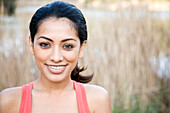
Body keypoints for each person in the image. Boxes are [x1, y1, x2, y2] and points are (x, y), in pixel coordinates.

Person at [0, 1, 112, 113]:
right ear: (31, 44)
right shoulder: (9, 101)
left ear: (81, 48)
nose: (56, 57)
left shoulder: (97, 100)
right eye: (45, 44)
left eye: (68, 46)